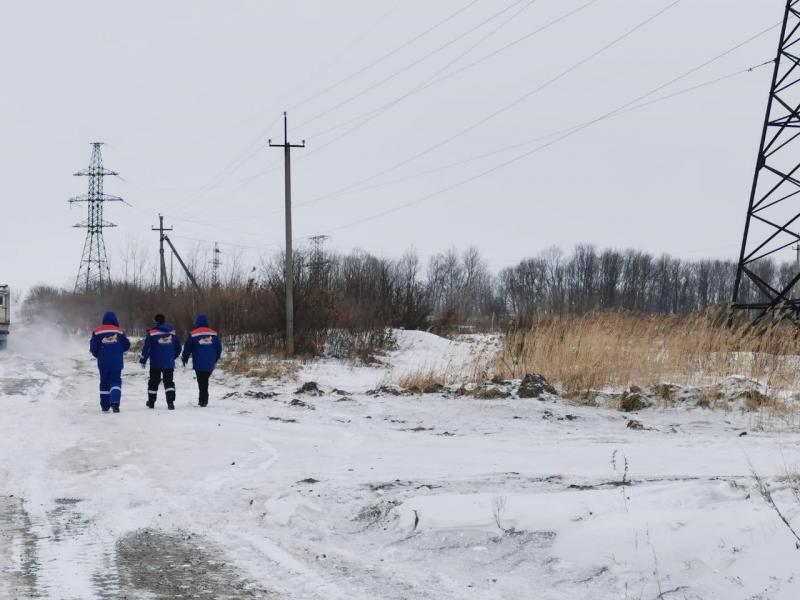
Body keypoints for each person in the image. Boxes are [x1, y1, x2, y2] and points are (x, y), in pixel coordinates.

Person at [90, 311, 131, 413]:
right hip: (117, 362)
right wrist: (119, 350)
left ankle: (105, 406)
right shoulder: (120, 331)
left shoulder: (97, 331)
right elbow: (126, 345)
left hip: (103, 363)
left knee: (104, 383)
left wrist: (98, 355)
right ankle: (115, 403)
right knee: (116, 381)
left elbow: (93, 348)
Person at [140, 314, 182, 410]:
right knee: (169, 382)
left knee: (153, 382)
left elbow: (147, 348)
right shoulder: (172, 333)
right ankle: (170, 402)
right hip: (169, 362)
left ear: (156, 322)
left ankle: (151, 402)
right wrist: (172, 357)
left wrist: (143, 360)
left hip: (155, 363)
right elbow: (178, 348)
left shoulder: (152, 333)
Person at [181, 314, 223, 407]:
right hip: (210, 362)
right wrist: (215, 359)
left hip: (199, 362)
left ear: (197, 323)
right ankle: (203, 399)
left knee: (202, 380)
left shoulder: (193, 334)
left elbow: (188, 347)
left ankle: (203, 400)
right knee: (204, 380)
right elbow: (219, 348)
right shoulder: (214, 334)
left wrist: (185, 358)